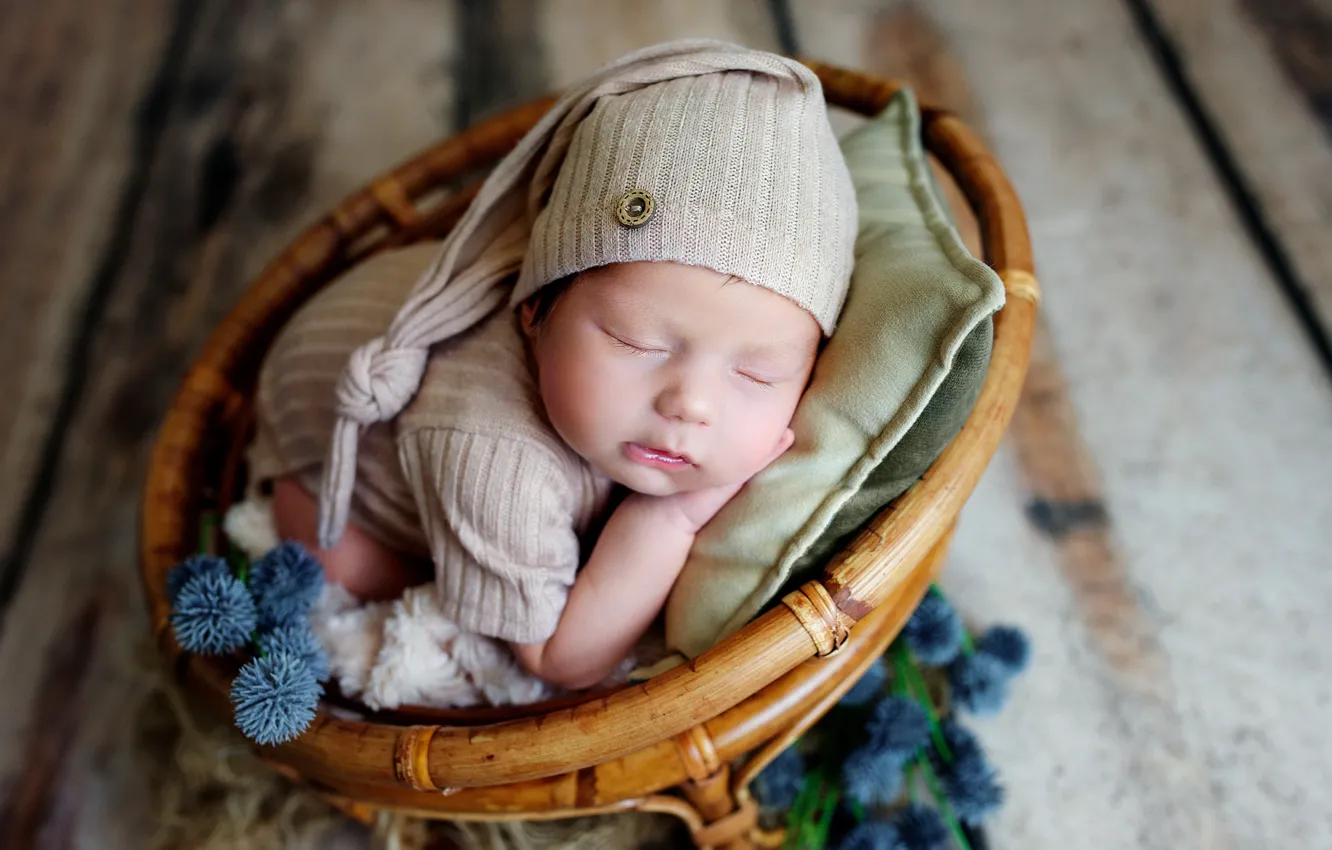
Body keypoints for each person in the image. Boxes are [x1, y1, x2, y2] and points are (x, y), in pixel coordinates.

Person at [247, 39, 857, 692]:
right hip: (323, 447)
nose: (691, 404)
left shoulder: (628, 396)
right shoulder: (497, 455)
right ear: (534, 310)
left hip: (395, 319)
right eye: (636, 342)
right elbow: (560, 660)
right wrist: (670, 517)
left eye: (758, 375)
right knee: (337, 562)